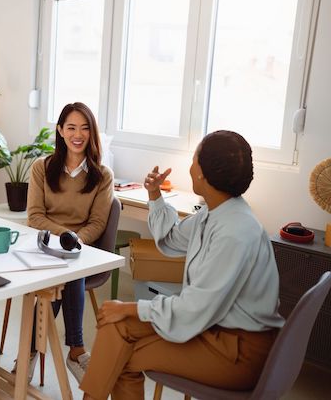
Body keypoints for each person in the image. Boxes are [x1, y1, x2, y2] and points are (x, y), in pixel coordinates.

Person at [79, 130, 285, 400]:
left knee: (121, 354)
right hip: (212, 329)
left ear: (203, 173)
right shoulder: (216, 212)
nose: (191, 166)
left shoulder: (236, 232)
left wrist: (130, 307)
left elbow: (194, 308)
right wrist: (154, 196)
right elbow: (172, 238)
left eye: (194, 158)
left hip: (236, 352)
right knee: (114, 324)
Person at [21, 102, 114, 384]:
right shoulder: (42, 167)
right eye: (71, 127)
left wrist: (74, 242)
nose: (78, 134)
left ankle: (30, 353)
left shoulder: (102, 175)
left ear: (92, 133)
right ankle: (76, 351)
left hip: (79, 249)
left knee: (70, 268)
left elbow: (97, 224)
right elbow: (35, 216)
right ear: (60, 131)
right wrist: (64, 237)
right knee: (66, 268)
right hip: (45, 243)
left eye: (85, 128)